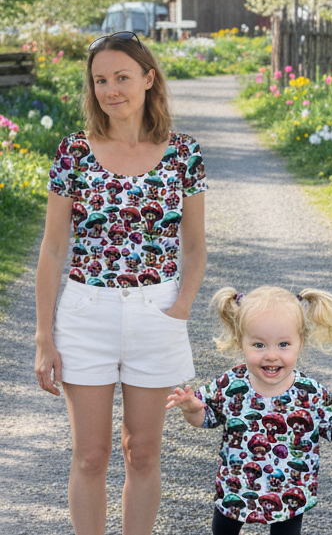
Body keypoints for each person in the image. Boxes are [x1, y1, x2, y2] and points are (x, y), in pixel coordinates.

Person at [34, 31, 207, 535]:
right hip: (86, 313)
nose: (111, 90)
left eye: (122, 77)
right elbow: (52, 248)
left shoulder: (184, 153)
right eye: (100, 80)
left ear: (149, 79)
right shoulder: (74, 152)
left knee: (143, 452)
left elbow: (195, 247)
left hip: (157, 312)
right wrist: (44, 337)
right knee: (90, 456)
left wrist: (181, 308)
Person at [166, 286, 332, 535]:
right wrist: (192, 410)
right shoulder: (230, 385)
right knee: (223, 530)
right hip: (236, 486)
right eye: (259, 345)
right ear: (240, 342)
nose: (271, 355)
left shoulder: (310, 393)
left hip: (289, 490)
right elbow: (205, 417)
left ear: (300, 343)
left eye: (283, 344)